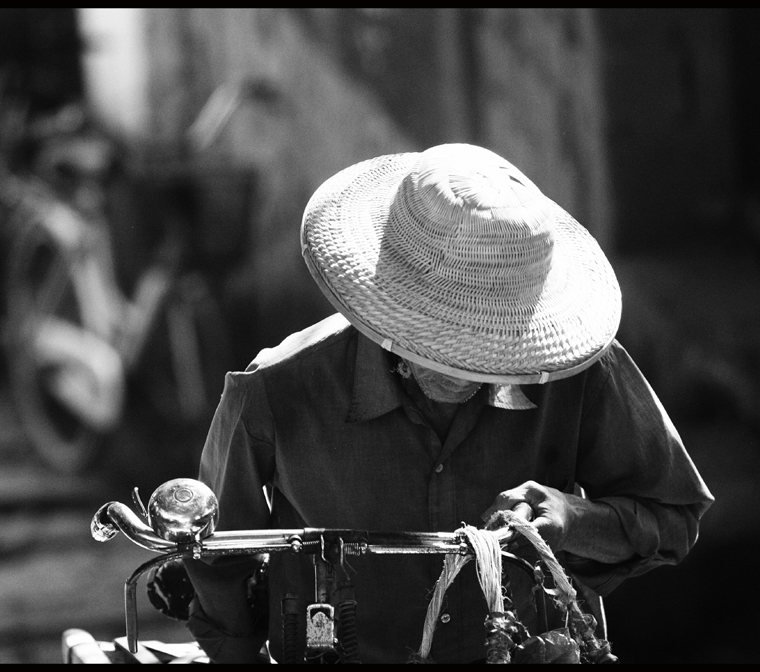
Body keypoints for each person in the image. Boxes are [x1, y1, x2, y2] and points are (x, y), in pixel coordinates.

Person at [182, 143, 714, 663]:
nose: (465, 373)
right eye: (440, 346)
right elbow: (214, 557)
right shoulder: (276, 389)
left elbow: (673, 516)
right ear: (387, 308)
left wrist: (573, 518)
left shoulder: (577, 373)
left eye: (489, 354)